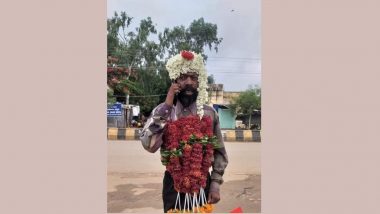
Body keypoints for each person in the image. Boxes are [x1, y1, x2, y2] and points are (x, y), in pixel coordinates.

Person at [140, 50, 228, 213]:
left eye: (193, 78)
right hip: (173, 185)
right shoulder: (163, 111)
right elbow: (149, 145)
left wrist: (215, 184)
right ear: (175, 81)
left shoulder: (209, 114)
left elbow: (219, 152)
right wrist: (167, 105)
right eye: (183, 77)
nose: (189, 82)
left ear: (199, 82)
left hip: (202, 183)